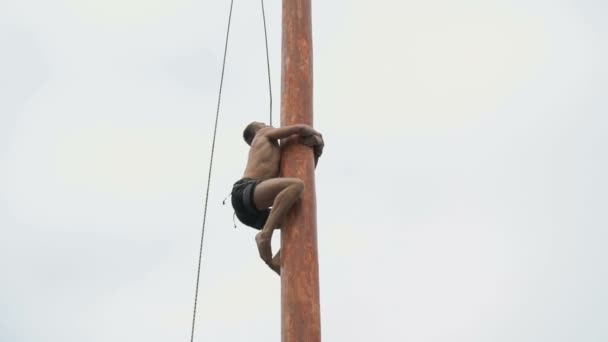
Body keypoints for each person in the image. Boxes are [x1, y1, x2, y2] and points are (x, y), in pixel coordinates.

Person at [231, 121, 324, 275]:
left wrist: (317, 151)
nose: (268, 124)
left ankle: (277, 260)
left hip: (251, 208)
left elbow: (304, 174)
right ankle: (265, 235)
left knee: (297, 221)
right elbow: (300, 128)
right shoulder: (262, 133)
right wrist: (318, 135)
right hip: (245, 191)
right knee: (295, 186)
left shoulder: (273, 154)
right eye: (264, 123)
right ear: (258, 129)